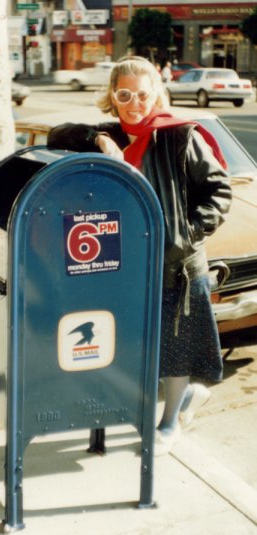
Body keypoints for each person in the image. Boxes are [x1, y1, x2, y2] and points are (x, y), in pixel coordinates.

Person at [47, 56, 232, 455]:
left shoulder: (179, 135)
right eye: (124, 94)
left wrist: (184, 235)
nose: (134, 103)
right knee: (140, 343)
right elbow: (55, 136)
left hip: (175, 262)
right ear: (112, 97)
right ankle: (188, 399)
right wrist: (99, 139)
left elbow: (219, 191)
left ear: (157, 95)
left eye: (142, 95)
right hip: (127, 265)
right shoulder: (111, 132)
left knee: (176, 345)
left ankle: (169, 423)